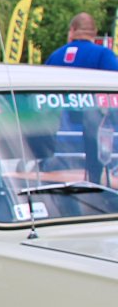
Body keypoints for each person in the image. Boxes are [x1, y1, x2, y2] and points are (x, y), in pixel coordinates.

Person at [45, 13, 118, 181]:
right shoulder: (103, 55)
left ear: (72, 30)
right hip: (91, 134)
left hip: (60, 136)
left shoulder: (55, 56)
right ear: (94, 32)